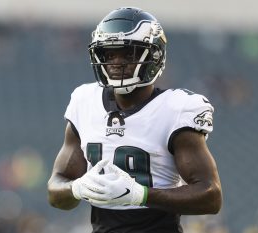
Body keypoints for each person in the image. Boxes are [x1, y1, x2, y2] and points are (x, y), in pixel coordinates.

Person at [47, 6, 222, 233]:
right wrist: (77, 188)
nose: (117, 62)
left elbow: (211, 197)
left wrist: (142, 195)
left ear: (154, 56)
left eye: (128, 53)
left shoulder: (176, 109)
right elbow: (55, 191)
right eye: (109, 53)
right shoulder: (84, 101)